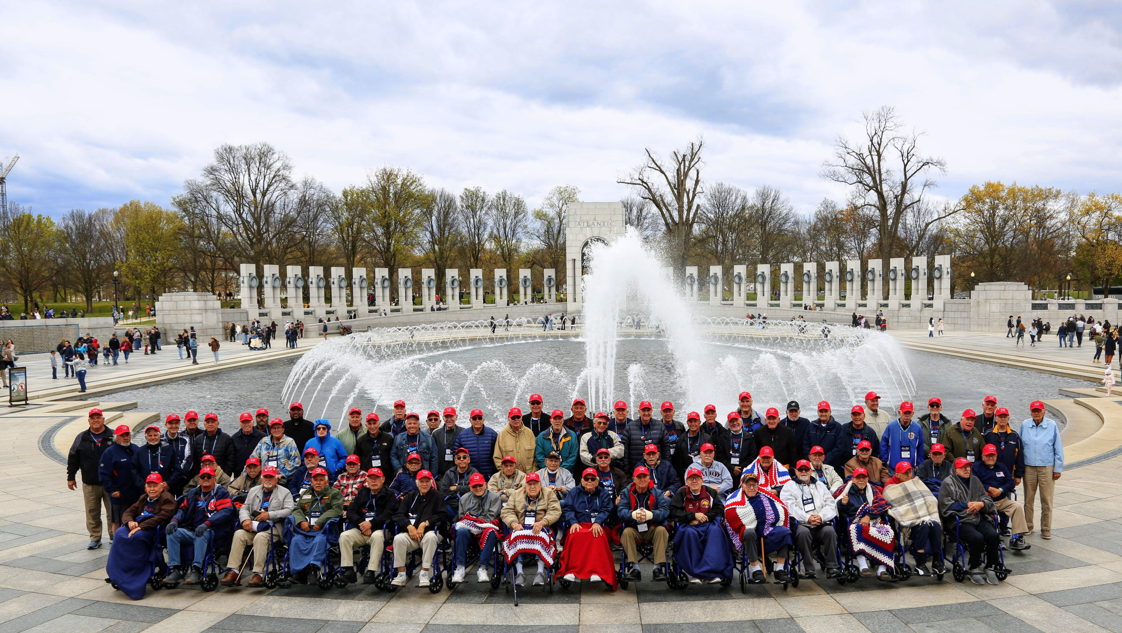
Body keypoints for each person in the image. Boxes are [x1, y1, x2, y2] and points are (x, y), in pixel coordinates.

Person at [105, 473, 176, 599]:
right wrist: (129, 522)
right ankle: (117, 573)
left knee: (136, 537)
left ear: (162, 487)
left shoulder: (167, 499)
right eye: (149, 486)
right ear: (145, 488)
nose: (152, 489)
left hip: (154, 529)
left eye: (155, 486)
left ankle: (134, 578)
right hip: (138, 526)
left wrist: (140, 527)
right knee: (120, 534)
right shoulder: (144, 498)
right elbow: (129, 511)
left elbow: (162, 517)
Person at [222, 466, 294, 587]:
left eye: (271, 477)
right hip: (254, 526)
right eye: (266, 476)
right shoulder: (254, 490)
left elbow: (290, 510)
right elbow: (245, 507)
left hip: (273, 528)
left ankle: (258, 573)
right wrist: (245, 519)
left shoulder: (284, 492)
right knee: (239, 534)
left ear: (277, 479)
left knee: (260, 537)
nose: (268, 479)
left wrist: (270, 515)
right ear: (261, 478)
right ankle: (233, 570)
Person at [163, 466, 235, 586]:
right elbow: (183, 509)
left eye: (209, 477)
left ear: (214, 479)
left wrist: (207, 523)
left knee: (201, 533)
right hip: (192, 529)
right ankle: (176, 569)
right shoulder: (193, 493)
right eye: (203, 477)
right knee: (172, 532)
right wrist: (174, 520)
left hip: (214, 530)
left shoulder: (221, 493)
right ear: (199, 480)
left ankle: (196, 569)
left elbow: (226, 511)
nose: (205, 479)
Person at [938, 457, 1003, 585]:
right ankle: (974, 566)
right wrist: (967, 505)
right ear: (956, 470)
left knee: (993, 536)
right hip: (960, 520)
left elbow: (987, 500)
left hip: (978, 516)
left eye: (968, 466)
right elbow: (945, 504)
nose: (967, 469)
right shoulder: (948, 482)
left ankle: (990, 566)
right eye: (963, 467)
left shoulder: (975, 481)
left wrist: (981, 504)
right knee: (977, 538)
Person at [669, 467, 731, 584]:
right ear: (687, 482)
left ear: (702, 481)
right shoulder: (681, 493)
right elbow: (673, 511)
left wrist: (704, 516)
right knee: (690, 534)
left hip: (707, 523)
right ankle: (696, 573)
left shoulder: (710, 492)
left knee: (715, 531)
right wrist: (692, 516)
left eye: (697, 478)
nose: (694, 481)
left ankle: (712, 571)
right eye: (691, 479)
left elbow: (719, 509)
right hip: (689, 525)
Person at [729, 471, 794, 583]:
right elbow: (733, 518)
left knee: (785, 532)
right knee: (748, 532)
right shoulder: (734, 499)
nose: (751, 487)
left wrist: (765, 522)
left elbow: (778, 511)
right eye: (748, 485)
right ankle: (756, 570)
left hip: (768, 533)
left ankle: (779, 569)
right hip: (750, 539)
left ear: (758, 486)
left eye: (754, 485)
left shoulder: (766, 497)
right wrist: (756, 520)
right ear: (742, 486)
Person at [882, 462, 945, 577]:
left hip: (925, 516)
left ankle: (937, 561)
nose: (908, 474)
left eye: (909, 471)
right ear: (897, 474)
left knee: (935, 525)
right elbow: (897, 506)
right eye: (905, 472)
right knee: (924, 526)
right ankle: (920, 564)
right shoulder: (890, 488)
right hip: (907, 523)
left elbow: (927, 497)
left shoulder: (915, 482)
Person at [502, 472, 563, 587]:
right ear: (525, 486)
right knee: (516, 537)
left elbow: (555, 511)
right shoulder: (516, 494)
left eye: (535, 484)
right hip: (520, 526)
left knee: (540, 536)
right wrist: (513, 523)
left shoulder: (549, 493)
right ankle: (519, 573)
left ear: (540, 484)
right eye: (529, 484)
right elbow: (506, 511)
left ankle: (540, 571)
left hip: (541, 526)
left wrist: (543, 522)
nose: (532, 487)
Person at [559, 468, 616, 587]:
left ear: (597, 481)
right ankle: (572, 571)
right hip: (578, 524)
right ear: (582, 481)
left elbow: (606, 509)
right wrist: (573, 522)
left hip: (596, 525)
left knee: (597, 535)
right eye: (586, 479)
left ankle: (596, 571)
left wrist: (598, 522)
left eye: (592, 479)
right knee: (575, 535)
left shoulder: (603, 493)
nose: (589, 481)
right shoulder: (574, 492)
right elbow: (568, 508)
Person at [835, 467, 894, 580]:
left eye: (863, 477)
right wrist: (842, 504)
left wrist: (868, 516)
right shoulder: (845, 490)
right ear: (853, 479)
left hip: (872, 519)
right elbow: (833, 506)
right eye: (858, 477)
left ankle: (882, 570)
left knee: (888, 532)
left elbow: (883, 503)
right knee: (857, 530)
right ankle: (863, 567)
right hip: (852, 521)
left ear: (867, 478)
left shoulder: (872, 489)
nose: (861, 480)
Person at [338, 468, 396, 584]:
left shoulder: (389, 494)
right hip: (362, 529)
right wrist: (362, 524)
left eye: (377, 478)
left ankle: (371, 571)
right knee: (345, 536)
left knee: (377, 537)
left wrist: (371, 524)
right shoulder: (362, 493)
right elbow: (351, 511)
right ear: (367, 480)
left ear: (383, 479)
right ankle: (348, 570)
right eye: (371, 478)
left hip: (380, 529)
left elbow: (390, 513)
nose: (373, 481)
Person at [390, 470, 445, 587]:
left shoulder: (438, 496)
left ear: (431, 482)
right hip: (412, 534)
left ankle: (424, 573)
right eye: (421, 481)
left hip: (430, 532)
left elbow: (443, 515)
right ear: (417, 483)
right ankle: (401, 574)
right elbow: (398, 515)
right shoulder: (410, 496)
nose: (424, 484)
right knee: (398, 538)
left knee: (430, 537)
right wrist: (408, 526)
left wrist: (425, 524)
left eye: (427, 481)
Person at [289, 468, 344, 585]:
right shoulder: (305, 494)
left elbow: (336, 510)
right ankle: (300, 572)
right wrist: (301, 521)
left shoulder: (334, 493)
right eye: (315, 480)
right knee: (296, 540)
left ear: (327, 482)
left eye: (321, 480)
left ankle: (314, 569)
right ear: (311, 482)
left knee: (320, 540)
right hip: (306, 529)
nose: (318, 482)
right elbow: (297, 509)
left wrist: (321, 521)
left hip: (324, 530)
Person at [618, 464, 671, 583]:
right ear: (634, 479)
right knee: (626, 533)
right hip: (634, 528)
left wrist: (651, 514)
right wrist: (632, 514)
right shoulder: (626, 493)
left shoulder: (657, 492)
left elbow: (665, 511)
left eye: (644, 477)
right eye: (639, 477)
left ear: (649, 478)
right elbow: (621, 511)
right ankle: (634, 568)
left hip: (652, 527)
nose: (642, 479)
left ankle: (657, 568)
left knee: (662, 530)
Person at [1019, 401, 1063, 540]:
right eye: (1033, 411)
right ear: (1030, 412)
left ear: (1044, 412)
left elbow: (1058, 448)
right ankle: (1028, 525)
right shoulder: (1025, 425)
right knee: (1028, 500)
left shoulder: (1052, 425)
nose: (1036, 413)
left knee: (1047, 500)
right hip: (1029, 467)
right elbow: (1019, 447)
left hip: (1046, 468)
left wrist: (1058, 468)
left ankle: (1046, 528)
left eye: (1038, 411)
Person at [973, 445, 1030, 550]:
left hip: (1002, 499)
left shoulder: (1001, 467)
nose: (991, 458)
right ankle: (995, 539)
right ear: (983, 456)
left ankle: (1016, 538)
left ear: (996, 456)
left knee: (1017, 507)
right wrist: (989, 488)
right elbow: (974, 482)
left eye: (993, 455)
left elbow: (1010, 482)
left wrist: (1000, 490)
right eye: (988, 455)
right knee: (988, 515)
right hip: (985, 501)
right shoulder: (976, 467)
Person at [450, 472, 503, 584]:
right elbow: (461, 517)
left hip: (486, 528)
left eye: (480, 485)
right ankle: (460, 568)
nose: (478, 488)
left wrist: (473, 522)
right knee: (461, 531)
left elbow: (491, 517)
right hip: (469, 531)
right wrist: (471, 524)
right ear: (470, 487)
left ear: (485, 484)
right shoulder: (464, 499)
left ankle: (483, 568)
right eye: (474, 486)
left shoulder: (494, 497)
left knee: (492, 531)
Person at [99, 425, 142, 537]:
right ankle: (117, 541)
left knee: (135, 518)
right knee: (118, 520)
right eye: (122, 435)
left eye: (127, 434)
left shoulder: (136, 448)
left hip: (135, 492)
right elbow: (103, 473)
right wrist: (111, 489)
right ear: (116, 437)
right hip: (119, 494)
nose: (125, 437)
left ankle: (134, 541)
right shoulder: (110, 452)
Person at [620, 401, 670, 472]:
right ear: (639, 412)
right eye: (643, 410)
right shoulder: (630, 427)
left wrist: (666, 468)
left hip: (657, 469)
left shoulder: (660, 426)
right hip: (636, 470)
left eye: (648, 410)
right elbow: (625, 451)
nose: (646, 413)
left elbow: (666, 450)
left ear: (652, 411)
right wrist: (626, 470)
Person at [879, 401, 924, 471]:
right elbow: (884, 443)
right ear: (899, 413)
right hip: (893, 467)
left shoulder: (917, 428)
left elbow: (920, 446)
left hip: (910, 467)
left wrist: (918, 464)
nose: (907, 415)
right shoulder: (891, 426)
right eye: (905, 413)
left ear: (913, 413)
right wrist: (885, 460)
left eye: (909, 413)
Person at [455, 409, 499, 479]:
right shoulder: (462, 435)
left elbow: (499, 453)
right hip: (469, 476)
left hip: (489, 475)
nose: (477, 420)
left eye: (480, 418)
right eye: (474, 418)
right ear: (470, 420)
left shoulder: (492, 434)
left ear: (483, 419)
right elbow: (455, 454)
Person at [803, 401, 845, 474]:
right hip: (812, 466)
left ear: (830, 412)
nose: (823, 414)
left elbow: (839, 447)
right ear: (818, 412)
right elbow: (805, 445)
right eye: (821, 411)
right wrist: (813, 459)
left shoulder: (837, 427)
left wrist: (824, 460)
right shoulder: (811, 425)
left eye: (826, 411)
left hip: (831, 466)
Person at [536, 409, 579, 478]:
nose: (557, 421)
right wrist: (551, 469)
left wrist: (561, 470)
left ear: (563, 420)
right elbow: (539, 457)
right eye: (555, 419)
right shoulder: (542, 436)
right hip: (547, 473)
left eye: (560, 419)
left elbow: (573, 456)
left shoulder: (572, 435)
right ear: (550, 421)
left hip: (567, 473)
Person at [135, 424, 179, 489]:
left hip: (165, 487)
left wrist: (169, 483)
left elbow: (177, 469)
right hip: (146, 488)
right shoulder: (140, 451)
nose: (153, 438)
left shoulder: (169, 449)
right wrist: (142, 485)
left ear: (160, 436)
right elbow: (134, 470)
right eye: (150, 435)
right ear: (146, 438)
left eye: (155, 435)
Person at [493, 407, 537, 473]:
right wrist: (506, 472)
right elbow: (497, 458)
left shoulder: (529, 433)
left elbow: (536, 456)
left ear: (521, 418)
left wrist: (533, 472)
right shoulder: (502, 435)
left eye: (518, 417)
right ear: (509, 419)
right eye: (513, 418)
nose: (516, 419)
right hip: (509, 477)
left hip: (528, 477)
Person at [440, 447, 480, 514]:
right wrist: (463, 491)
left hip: (470, 505)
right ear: (455, 461)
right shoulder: (449, 473)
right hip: (452, 505)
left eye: (464, 457)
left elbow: (476, 489)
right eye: (458, 457)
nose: (461, 459)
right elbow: (444, 491)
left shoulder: (474, 473)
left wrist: (456, 488)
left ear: (469, 460)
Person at [161, 413, 193, 495]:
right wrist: (169, 479)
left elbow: (188, 458)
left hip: (182, 478)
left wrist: (177, 474)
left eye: (176, 423)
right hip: (166, 481)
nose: (174, 426)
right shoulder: (160, 440)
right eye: (171, 423)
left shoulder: (186, 439)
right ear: (166, 425)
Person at [673, 411, 711, 478]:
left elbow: (713, 458)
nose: (693, 424)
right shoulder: (681, 439)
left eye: (695, 421)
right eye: (691, 421)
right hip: (685, 475)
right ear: (687, 423)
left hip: (703, 475)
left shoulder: (707, 438)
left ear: (699, 422)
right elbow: (676, 459)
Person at [433, 407, 462, 477]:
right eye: (446, 417)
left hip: (458, 474)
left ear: (456, 417)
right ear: (443, 418)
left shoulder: (462, 432)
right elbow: (433, 456)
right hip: (441, 474)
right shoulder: (436, 434)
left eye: (451, 416)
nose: (449, 419)